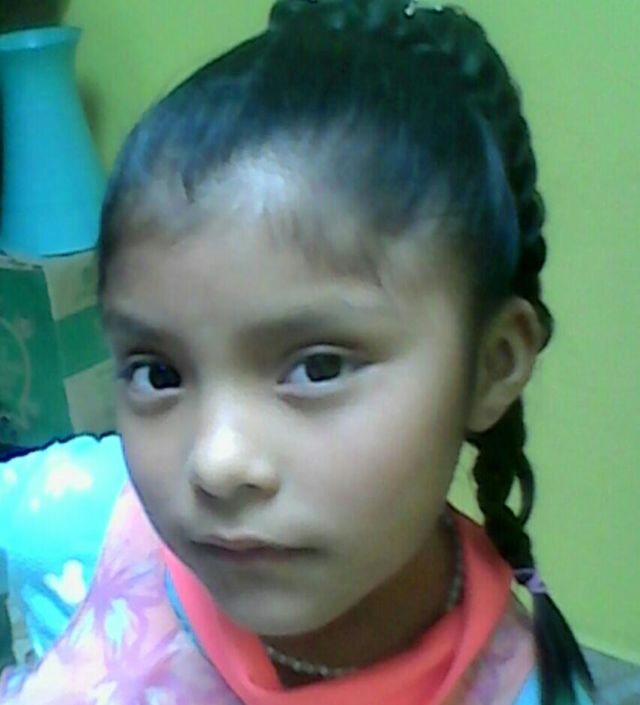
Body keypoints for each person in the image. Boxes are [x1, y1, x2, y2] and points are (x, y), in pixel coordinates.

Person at [0, 1, 597, 702]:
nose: (216, 463)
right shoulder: (87, 514)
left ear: (492, 365)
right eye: (159, 373)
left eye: (318, 367)